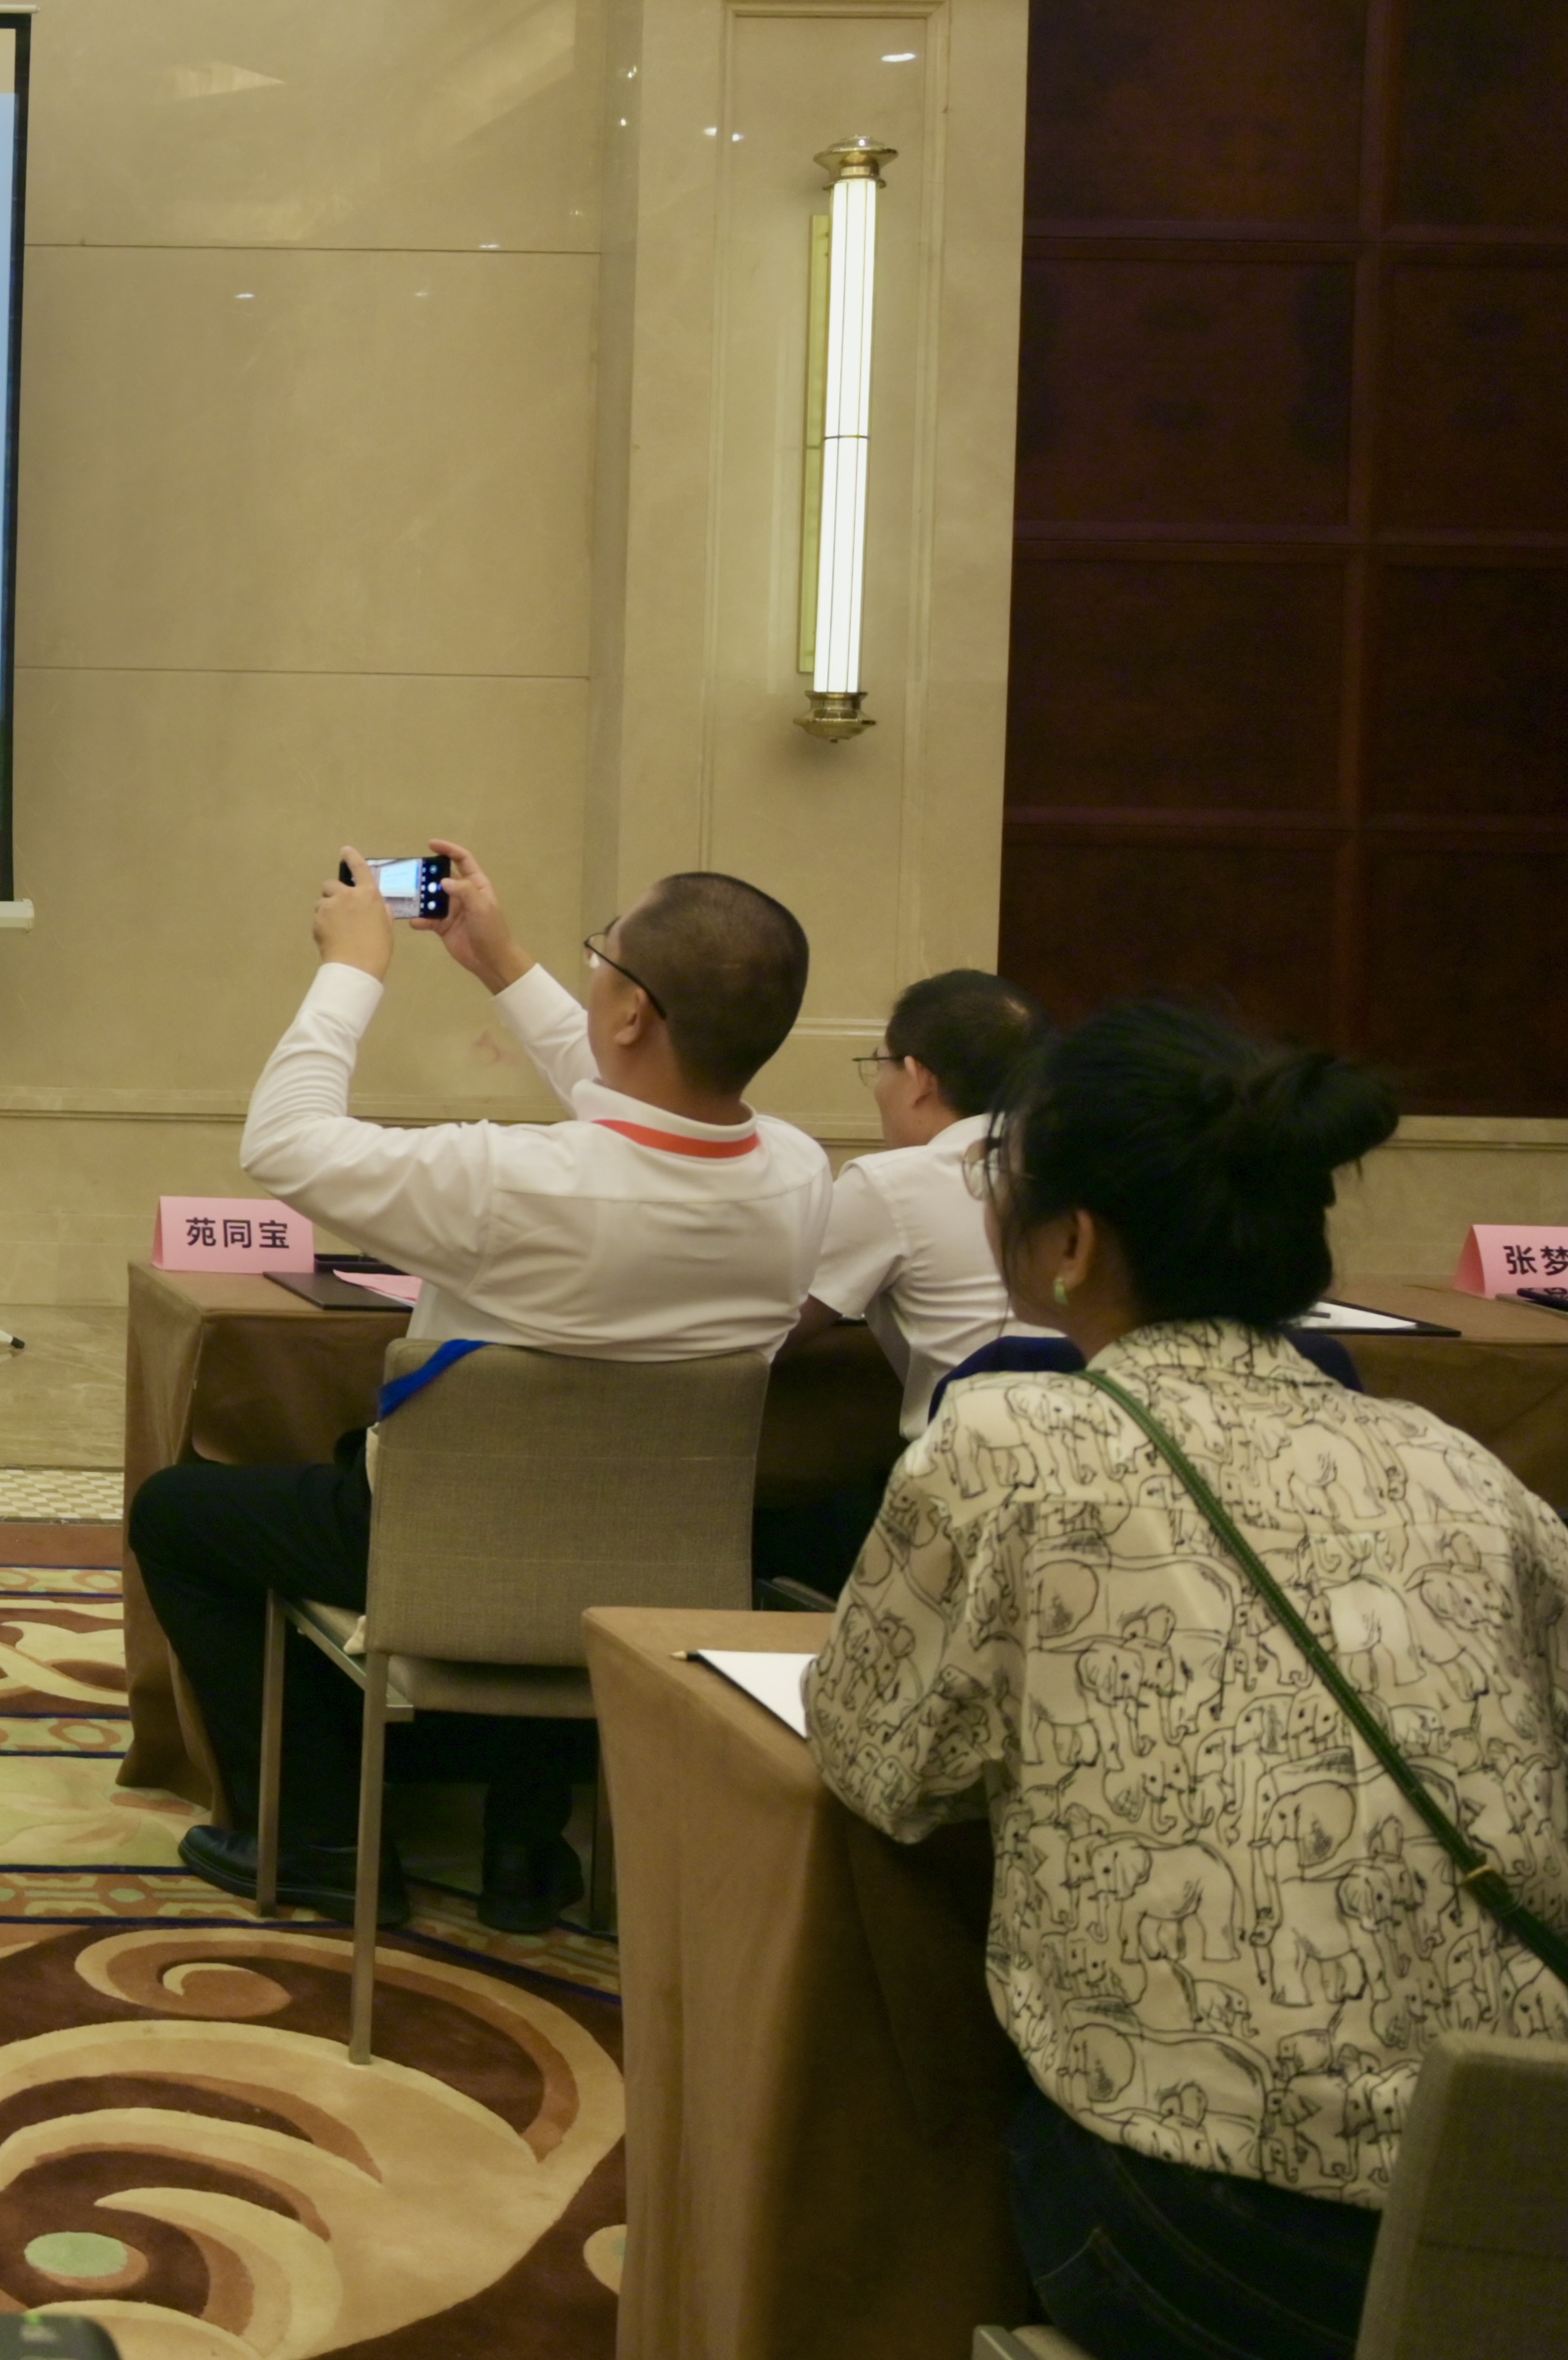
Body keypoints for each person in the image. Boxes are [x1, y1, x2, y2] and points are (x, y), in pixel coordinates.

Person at [809, 1001, 1568, 2360]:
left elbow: (881, 1766)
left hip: (1213, 2223)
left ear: (1069, 1242)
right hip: (1522, 2208)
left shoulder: (1005, 1443)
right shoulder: (1460, 1463)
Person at [129, 843, 830, 1934]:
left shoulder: (510, 1184)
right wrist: (499, 962)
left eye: (603, 958)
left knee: (179, 1514)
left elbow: (286, 1141)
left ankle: (320, 1837)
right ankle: (523, 1844)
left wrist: (353, 967)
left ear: (633, 1011)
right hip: (655, 1559)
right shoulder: (798, 1174)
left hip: (442, 1540)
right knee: (562, 1511)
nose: (590, 974)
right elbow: (638, 1099)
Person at [756, 966, 1045, 1594]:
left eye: (880, 1065)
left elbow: (768, 1334)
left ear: (918, 1078)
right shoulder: (1082, 1171)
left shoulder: (893, 1183)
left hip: (962, 1496)